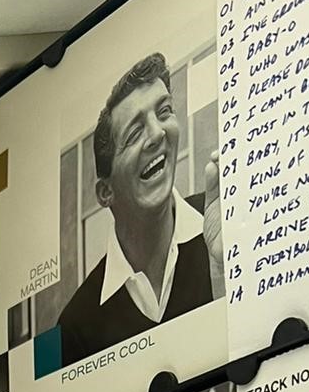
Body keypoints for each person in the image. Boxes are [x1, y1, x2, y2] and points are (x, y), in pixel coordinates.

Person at [58, 53, 224, 368]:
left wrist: (224, 272)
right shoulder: (75, 325)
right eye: (135, 133)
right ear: (106, 192)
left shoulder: (222, 227)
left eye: (164, 112)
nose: (158, 133)